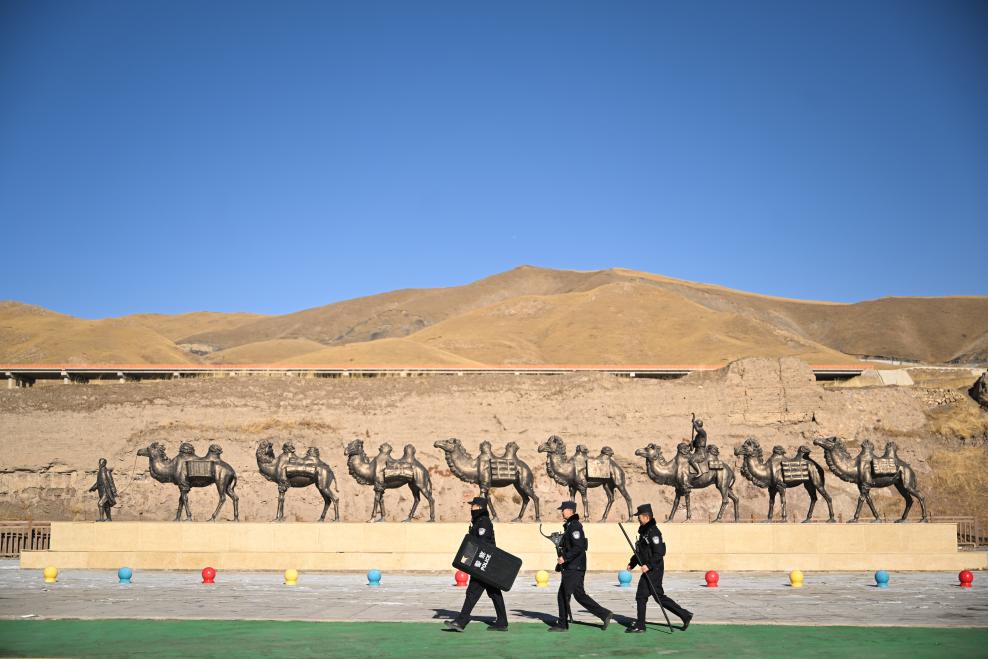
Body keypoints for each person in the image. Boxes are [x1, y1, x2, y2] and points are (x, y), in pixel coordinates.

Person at [626, 503, 692, 633]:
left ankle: (684, 615)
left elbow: (660, 552)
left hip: (654, 569)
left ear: (646, 517)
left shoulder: (654, 532)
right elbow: (641, 552)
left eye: (639, 516)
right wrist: (632, 563)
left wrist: (648, 565)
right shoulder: (645, 532)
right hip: (649, 569)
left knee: (658, 597)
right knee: (641, 596)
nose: (637, 519)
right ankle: (641, 625)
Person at [445, 497, 509, 632]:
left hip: (483, 564)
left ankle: (461, 621)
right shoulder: (478, 521)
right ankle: (502, 621)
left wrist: (474, 561)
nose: (471, 508)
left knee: (473, 592)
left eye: (473, 506)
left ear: (479, 507)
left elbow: (483, 543)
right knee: (494, 592)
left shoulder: (483, 522)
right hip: (485, 564)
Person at [548, 501, 613, 632]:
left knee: (563, 595)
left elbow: (579, 547)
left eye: (563, 510)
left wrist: (564, 558)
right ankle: (604, 614)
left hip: (574, 567)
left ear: (570, 510)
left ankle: (562, 624)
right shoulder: (570, 526)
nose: (562, 512)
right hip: (574, 566)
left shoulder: (575, 526)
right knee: (579, 595)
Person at [88, 458, 118, 522]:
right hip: (101, 492)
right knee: (106, 505)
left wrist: (114, 492)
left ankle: (101, 519)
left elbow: (111, 482)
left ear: (104, 464)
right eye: (100, 463)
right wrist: (93, 488)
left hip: (106, 492)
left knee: (100, 504)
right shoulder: (99, 472)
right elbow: (98, 482)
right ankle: (109, 518)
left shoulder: (107, 472)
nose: (100, 464)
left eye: (102, 463)